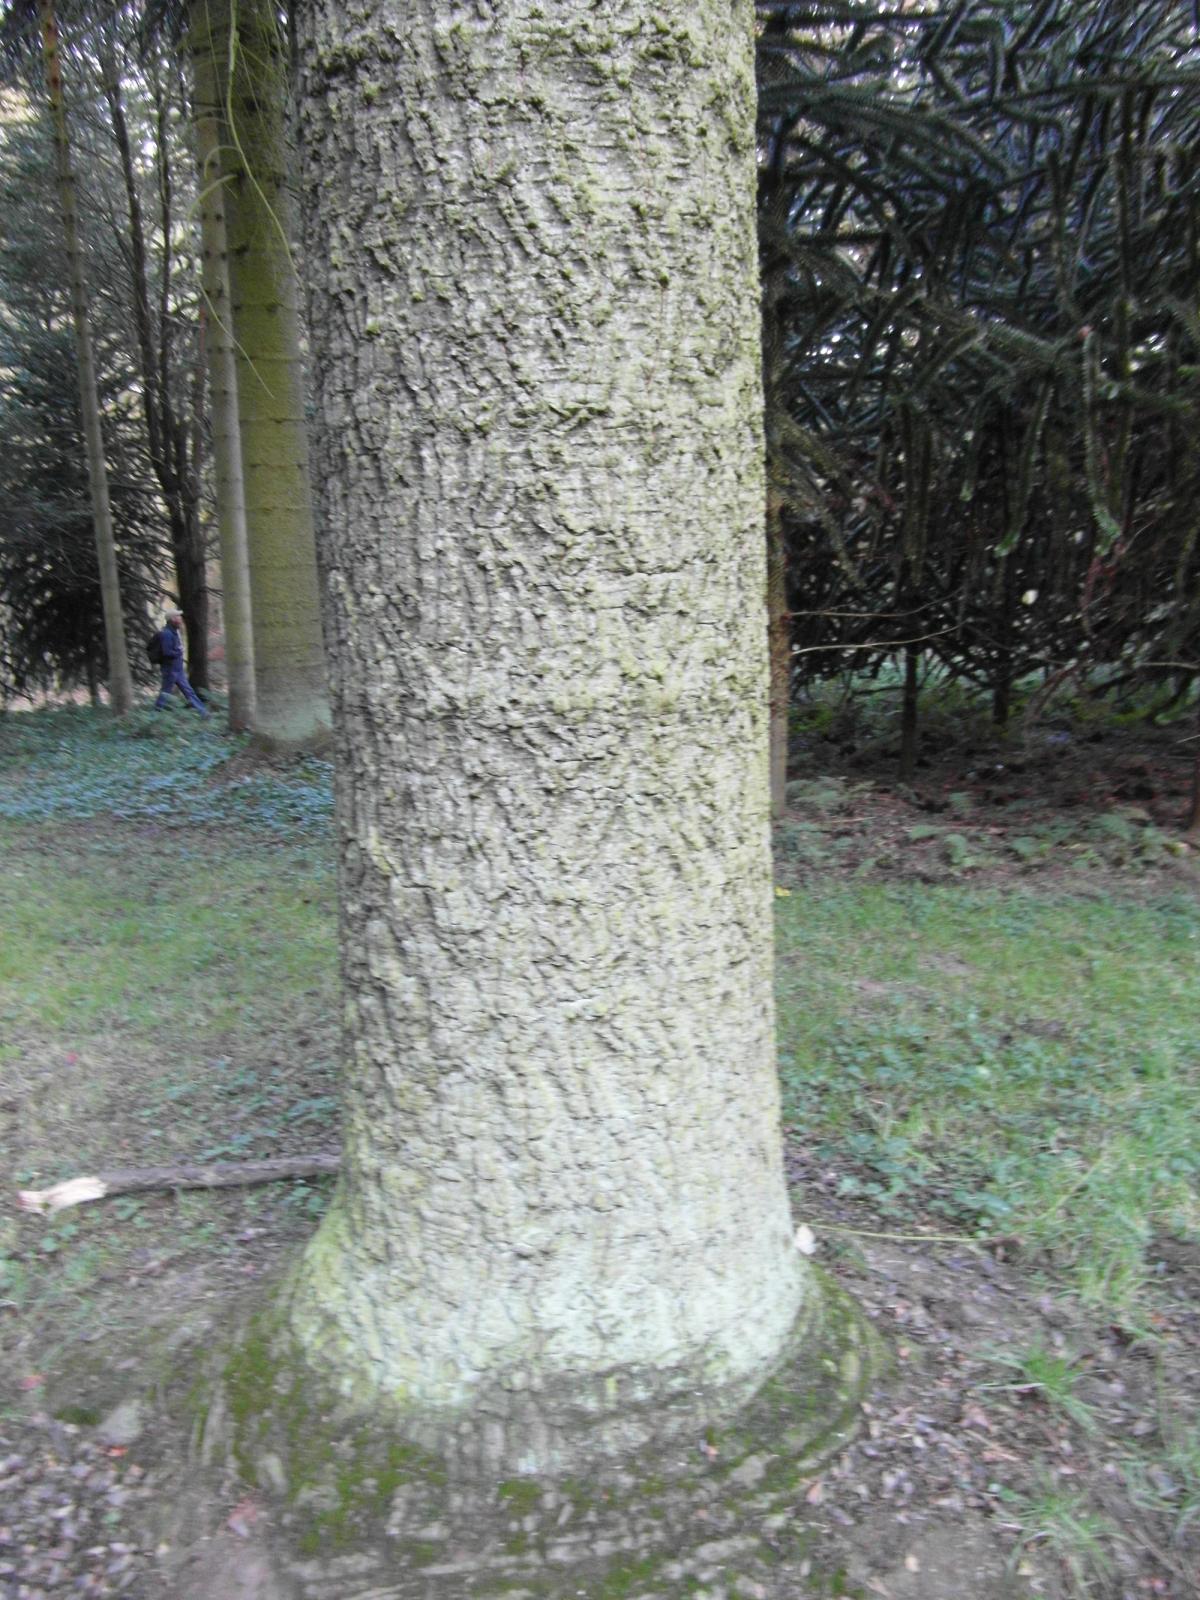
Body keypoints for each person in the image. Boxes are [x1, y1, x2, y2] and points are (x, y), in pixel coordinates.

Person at [153, 609, 209, 715]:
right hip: (170, 670)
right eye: (178, 617)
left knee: (189, 692)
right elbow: (166, 652)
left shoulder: (174, 632)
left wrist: (178, 651)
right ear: (172, 619)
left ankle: (204, 713)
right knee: (164, 694)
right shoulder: (167, 634)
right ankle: (154, 716)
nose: (180, 619)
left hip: (177, 670)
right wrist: (179, 651)